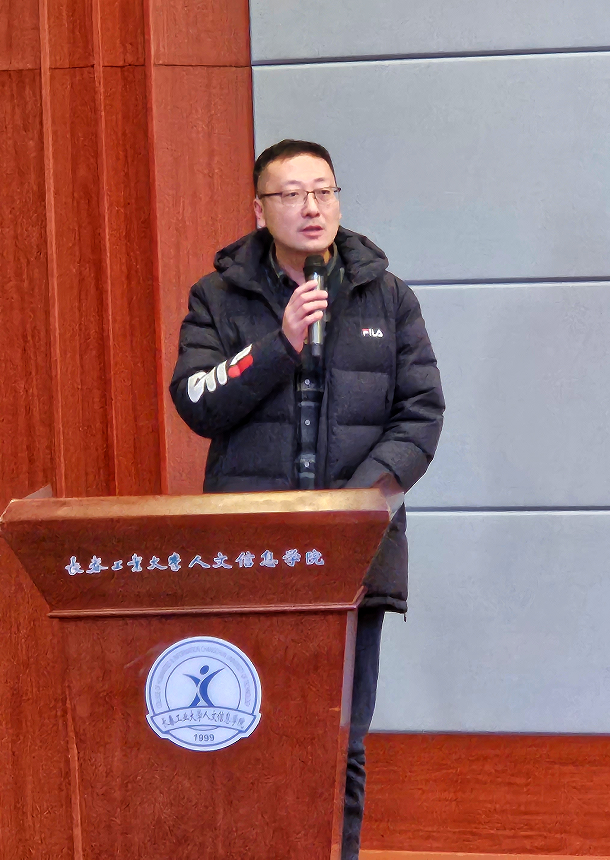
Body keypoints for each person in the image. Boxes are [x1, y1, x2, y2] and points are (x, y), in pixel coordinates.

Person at [169, 139, 444, 859]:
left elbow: (420, 416)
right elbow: (196, 401)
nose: (311, 206)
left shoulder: (387, 296)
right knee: (247, 732)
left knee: (340, 739)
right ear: (260, 210)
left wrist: (349, 512)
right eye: (291, 194)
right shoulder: (217, 297)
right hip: (250, 552)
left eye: (323, 190)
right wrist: (279, 342)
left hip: (351, 551)